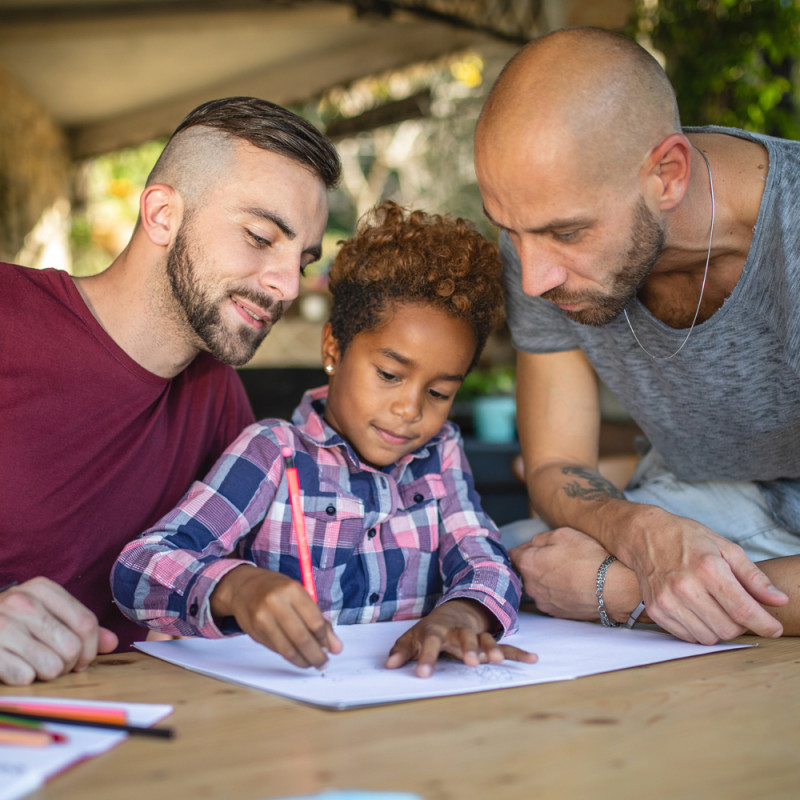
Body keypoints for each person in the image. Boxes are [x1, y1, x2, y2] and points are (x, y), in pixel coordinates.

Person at [112, 201, 536, 678]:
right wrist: (237, 587)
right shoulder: (273, 451)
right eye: (390, 374)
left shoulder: (441, 454)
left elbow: (485, 556)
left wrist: (466, 612)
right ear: (333, 347)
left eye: (439, 393)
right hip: (285, 717)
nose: (411, 409)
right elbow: (140, 567)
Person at [473, 26, 800, 644]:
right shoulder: (534, 236)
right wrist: (641, 532)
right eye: (511, 231)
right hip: (702, 505)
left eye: (566, 233)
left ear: (668, 174)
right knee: (508, 558)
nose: (534, 277)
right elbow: (556, 463)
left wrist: (622, 590)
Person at [0, 96, 341, 685]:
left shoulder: (218, 398)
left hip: (126, 736)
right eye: (261, 237)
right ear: (161, 215)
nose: (287, 285)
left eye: (303, 258)